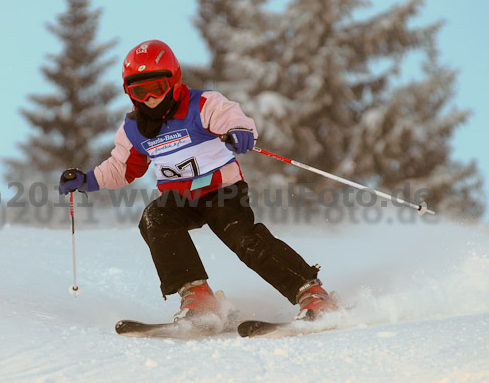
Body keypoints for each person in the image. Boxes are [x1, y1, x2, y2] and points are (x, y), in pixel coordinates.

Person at [59, 39, 337, 325]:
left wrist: (239, 131)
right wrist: (87, 180)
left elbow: (233, 117)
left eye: (157, 87)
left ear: (174, 81)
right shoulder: (134, 129)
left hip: (221, 191)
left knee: (243, 238)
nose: (150, 98)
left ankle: (312, 294)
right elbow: (121, 168)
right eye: (139, 91)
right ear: (129, 92)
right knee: (155, 217)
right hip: (179, 199)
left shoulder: (201, 105)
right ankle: (199, 298)